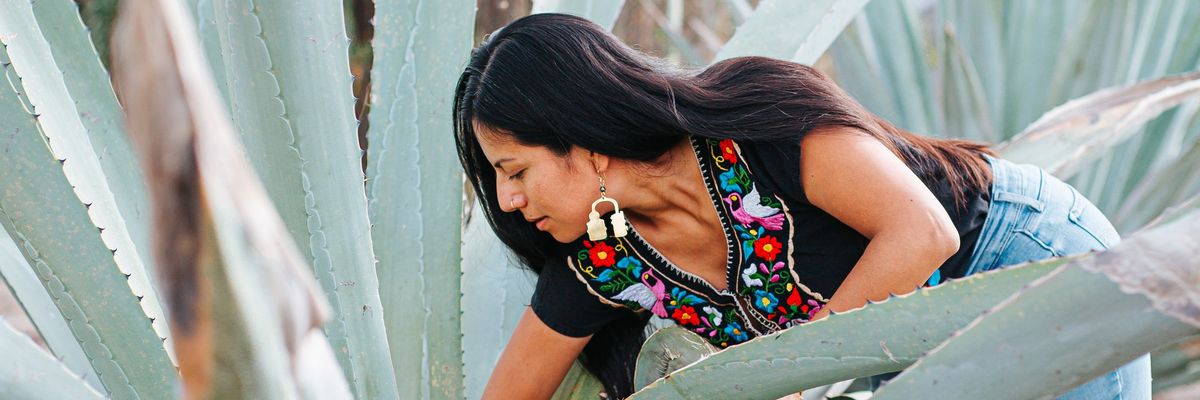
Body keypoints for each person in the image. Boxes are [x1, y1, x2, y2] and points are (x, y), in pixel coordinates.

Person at [453, 13, 1151, 400]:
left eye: (515, 169)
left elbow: (922, 233)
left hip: (1024, 264)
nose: (508, 199)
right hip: (906, 355)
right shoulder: (600, 266)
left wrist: (788, 380)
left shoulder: (756, 120)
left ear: (582, 141)